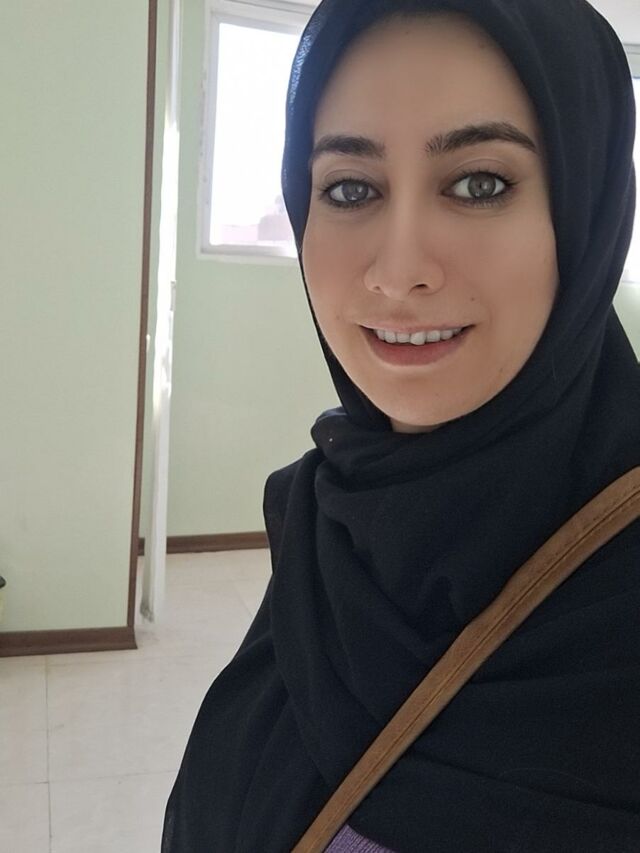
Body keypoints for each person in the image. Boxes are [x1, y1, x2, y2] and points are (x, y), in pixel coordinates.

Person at [162, 0, 640, 850]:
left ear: (586, 211)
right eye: (350, 189)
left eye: (479, 183)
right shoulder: (328, 522)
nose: (399, 270)